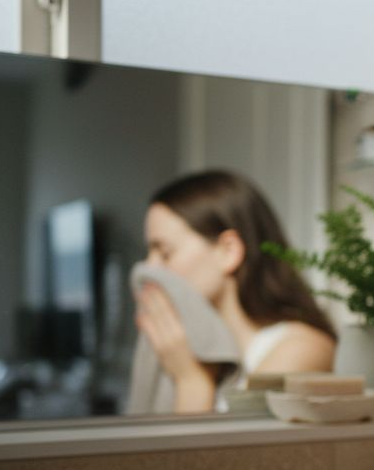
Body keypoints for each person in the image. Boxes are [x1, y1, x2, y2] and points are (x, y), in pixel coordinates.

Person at [136, 169, 336, 413]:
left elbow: (217, 452)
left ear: (227, 251)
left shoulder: (302, 348)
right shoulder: (182, 347)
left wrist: (192, 380)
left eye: (165, 252)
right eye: (149, 253)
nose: (148, 268)